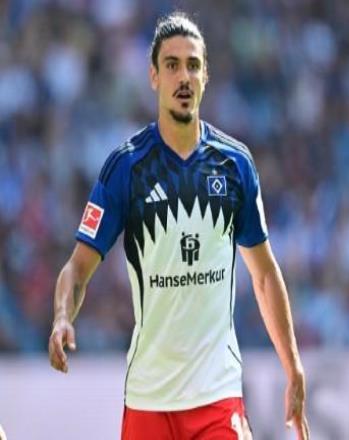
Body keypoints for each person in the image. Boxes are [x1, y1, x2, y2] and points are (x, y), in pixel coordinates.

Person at [48, 11, 309, 440]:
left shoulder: (235, 164)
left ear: (206, 76)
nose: (183, 77)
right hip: (149, 398)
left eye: (192, 65)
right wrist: (62, 317)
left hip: (217, 395)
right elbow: (77, 268)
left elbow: (264, 275)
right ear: (153, 76)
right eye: (172, 65)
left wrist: (292, 365)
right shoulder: (126, 168)